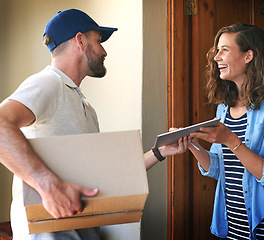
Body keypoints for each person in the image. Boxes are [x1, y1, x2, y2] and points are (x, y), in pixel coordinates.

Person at [0, 9, 181, 240]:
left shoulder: (83, 103)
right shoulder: (48, 83)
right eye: (98, 41)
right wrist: (47, 185)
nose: (104, 51)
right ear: (80, 40)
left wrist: (160, 151)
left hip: (84, 229)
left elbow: (102, 175)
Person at [181, 23, 264, 239]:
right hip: (233, 224)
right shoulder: (223, 108)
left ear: (248, 56)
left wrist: (230, 140)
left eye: (224, 49)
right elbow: (217, 169)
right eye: (217, 50)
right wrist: (192, 144)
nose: (216, 57)